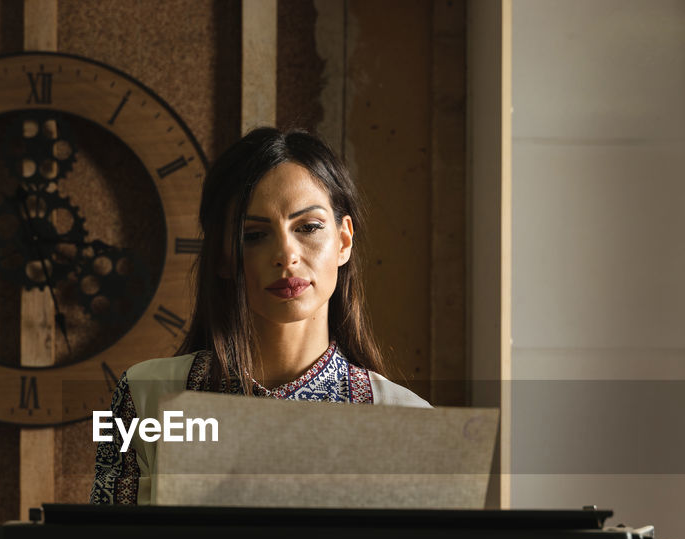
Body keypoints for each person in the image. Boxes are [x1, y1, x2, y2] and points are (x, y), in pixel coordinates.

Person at [90, 127, 430, 507]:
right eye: (254, 235)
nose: (286, 255)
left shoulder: (407, 420)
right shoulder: (145, 396)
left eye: (308, 228)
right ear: (222, 257)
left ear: (343, 241)